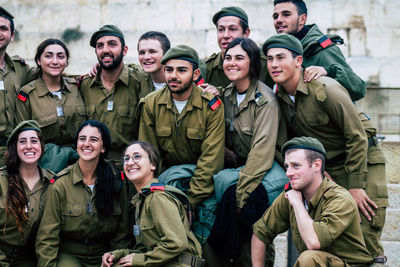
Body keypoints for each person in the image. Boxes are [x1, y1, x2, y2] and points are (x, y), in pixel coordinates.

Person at [263, 33, 388, 264]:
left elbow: (356, 136)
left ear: (299, 61)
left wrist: (356, 186)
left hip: (362, 159)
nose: (274, 64)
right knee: (327, 238)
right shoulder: (279, 97)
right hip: (326, 165)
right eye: (270, 59)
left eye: (281, 57)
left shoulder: (325, 88)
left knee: (366, 235)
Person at [204, 37, 287, 267]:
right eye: (228, 58)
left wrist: (241, 195)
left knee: (250, 216)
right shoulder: (226, 94)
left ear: (252, 63)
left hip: (268, 169)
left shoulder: (265, 100)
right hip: (240, 168)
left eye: (239, 58)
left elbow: (261, 154)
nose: (231, 63)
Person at [251, 136, 373, 266]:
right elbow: (260, 233)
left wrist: (297, 204)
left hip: (350, 265)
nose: (288, 173)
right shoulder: (291, 194)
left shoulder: (340, 198)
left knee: (309, 258)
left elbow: (314, 242)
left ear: (316, 165)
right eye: (287, 166)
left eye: (295, 166)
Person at [138, 45, 225, 210]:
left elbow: (211, 161)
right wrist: (160, 193)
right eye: (169, 70)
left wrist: (189, 201)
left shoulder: (211, 106)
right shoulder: (151, 103)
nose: (173, 76)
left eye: (182, 70)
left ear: (196, 74)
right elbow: (148, 155)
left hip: (201, 186)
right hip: (165, 182)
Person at [35, 120, 130, 266]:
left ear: (103, 147)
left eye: (94, 140)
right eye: (82, 139)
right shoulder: (60, 184)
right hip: (70, 254)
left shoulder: (116, 181)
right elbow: (47, 237)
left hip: (104, 254)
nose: (86, 144)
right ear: (77, 144)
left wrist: (116, 257)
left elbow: (122, 233)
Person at [101, 141, 203, 267]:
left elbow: (176, 243)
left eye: (137, 156)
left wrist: (138, 260)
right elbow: (146, 251)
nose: (130, 162)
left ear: (153, 165)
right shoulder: (141, 200)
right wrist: (118, 254)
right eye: (126, 159)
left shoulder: (158, 197)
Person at [79, 25, 146, 167]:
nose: (105, 50)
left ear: (125, 50)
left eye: (112, 44)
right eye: (100, 46)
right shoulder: (85, 85)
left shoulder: (139, 81)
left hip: (130, 165)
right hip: (94, 165)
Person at [272, 0, 366, 101]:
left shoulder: (322, 49)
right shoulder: (274, 52)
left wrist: (329, 71)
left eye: (286, 15)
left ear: (302, 19)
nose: (279, 20)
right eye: (275, 16)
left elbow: (358, 88)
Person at [0, 120, 53, 266]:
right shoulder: (1, 180)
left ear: (41, 146)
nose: (29, 146)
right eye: (22, 141)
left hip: (27, 258)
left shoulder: (52, 184)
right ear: (15, 147)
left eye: (34, 141)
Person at [15, 39, 86, 147]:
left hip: (80, 157)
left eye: (60, 56)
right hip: (45, 159)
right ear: (38, 60)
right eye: (48, 56)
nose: (55, 61)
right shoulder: (27, 94)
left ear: (66, 62)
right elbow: (22, 136)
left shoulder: (78, 87)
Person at [204, 6, 273, 91]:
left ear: (246, 33)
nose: (225, 35)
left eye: (232, 29)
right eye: (221, 29)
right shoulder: (208, 68)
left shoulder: (265, 63)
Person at [0, 7, 37, 165]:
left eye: (3, 28)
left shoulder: (20, 69)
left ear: (12, 35)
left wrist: (95, 73)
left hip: (13, 152)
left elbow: (51, 73)